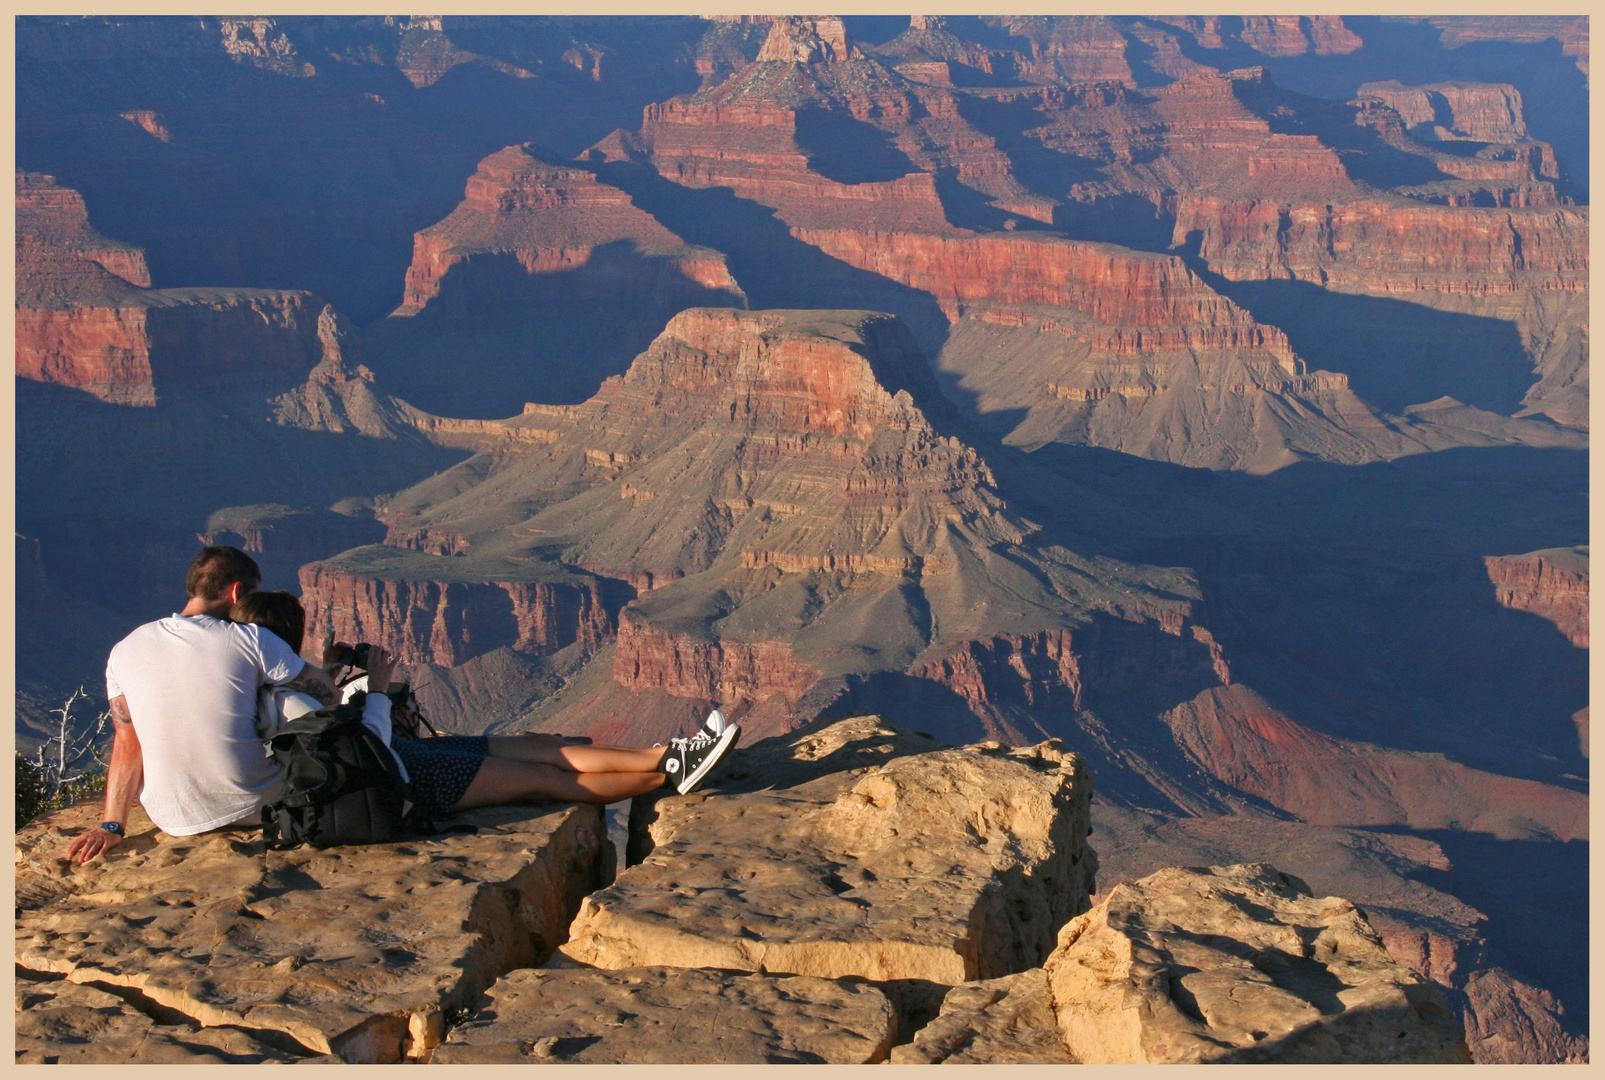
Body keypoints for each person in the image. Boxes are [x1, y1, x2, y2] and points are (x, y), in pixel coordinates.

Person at [229, 589, 740, 823]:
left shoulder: (265, 690)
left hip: (409, 762)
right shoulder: (286, 702)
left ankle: (669, 752)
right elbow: (368, 748)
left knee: (539, 747)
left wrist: (332, 674)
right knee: (545, 780)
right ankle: (672, 770)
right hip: (405, 780)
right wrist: (377, 690)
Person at [67, 546, 339, 864]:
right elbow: (329, 698)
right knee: (288, 702)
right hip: (254, 805)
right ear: (237, 592)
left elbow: (127, 743)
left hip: (171, 817)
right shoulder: (252, 639)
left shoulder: (125, 648)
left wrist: (111, 826)